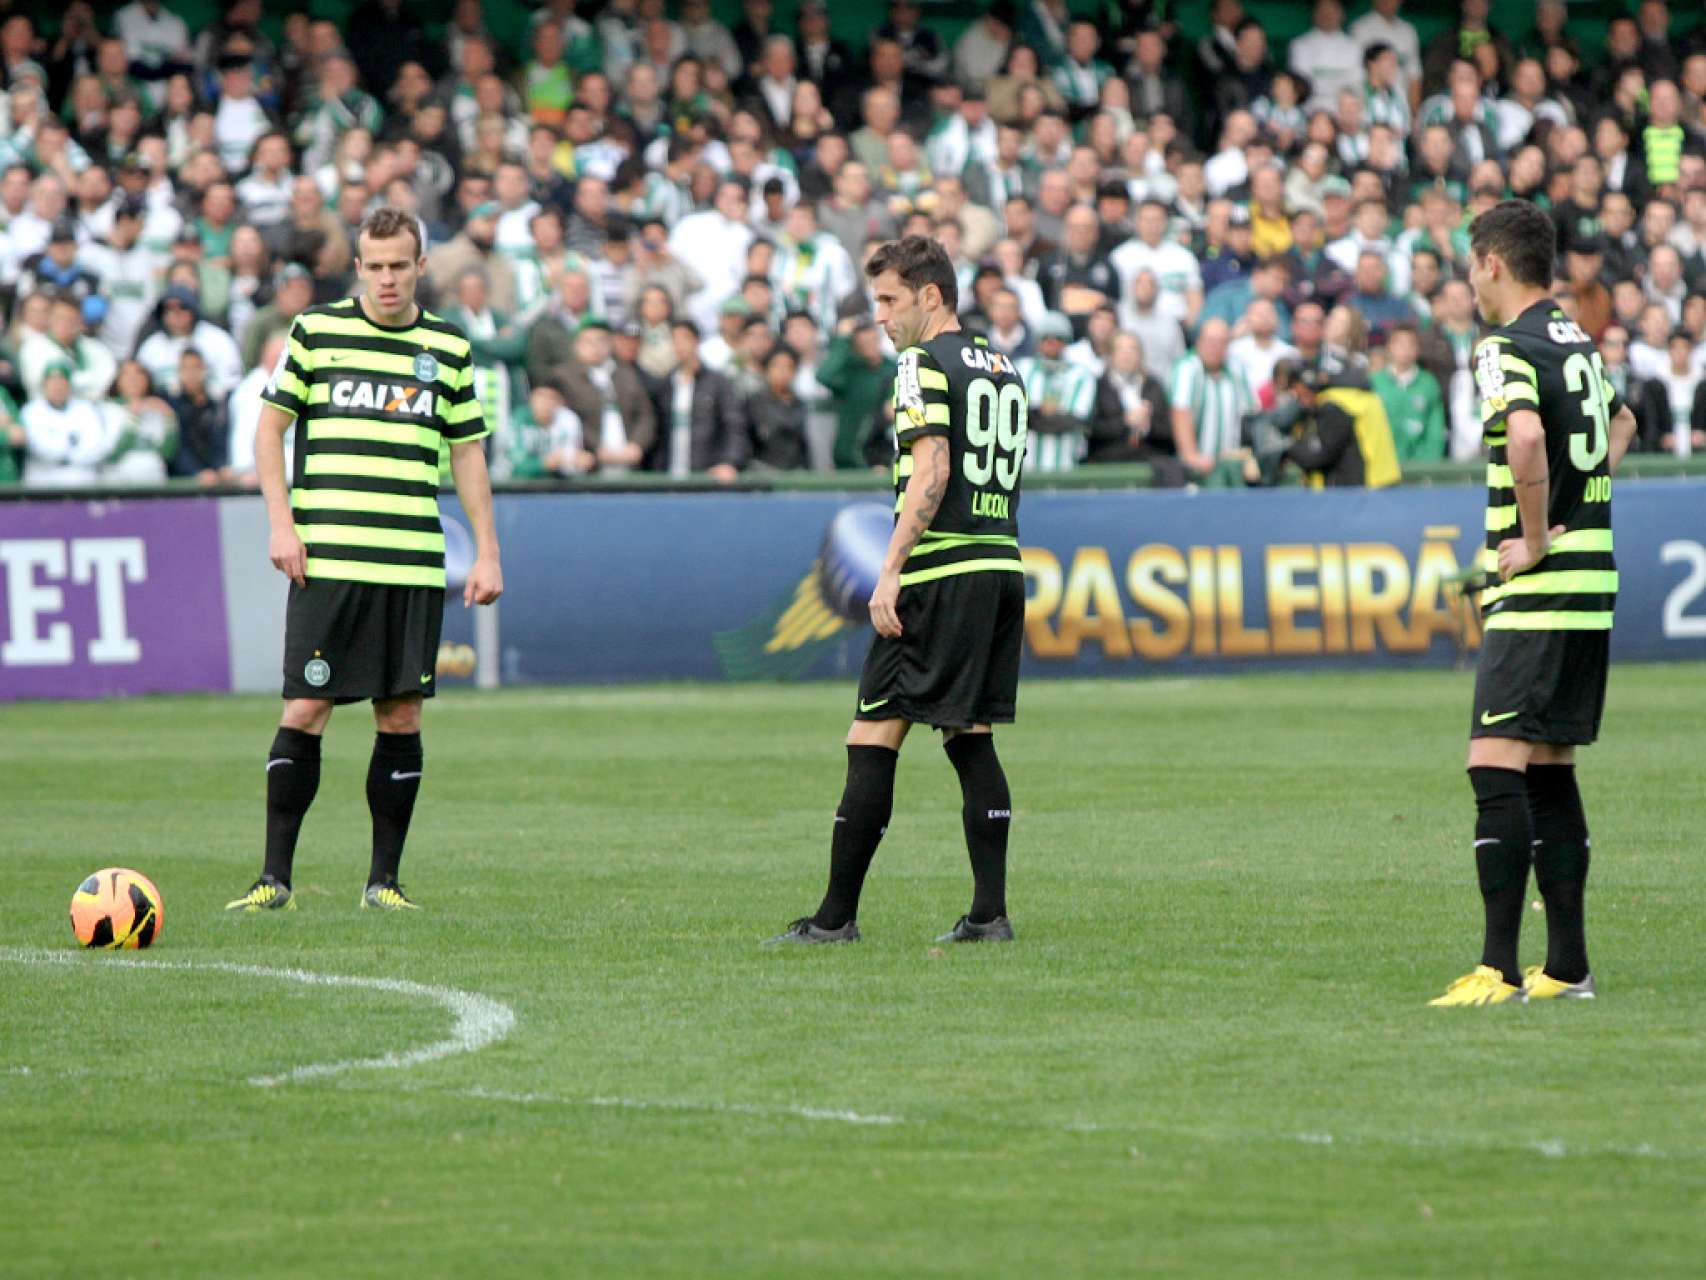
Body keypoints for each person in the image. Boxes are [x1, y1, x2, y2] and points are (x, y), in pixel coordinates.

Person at [226, 205, 503, 915]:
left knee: (401, 717)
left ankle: (384, 883)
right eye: (374, 266)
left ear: (420, 266)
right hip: (329, 560)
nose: (386, 279)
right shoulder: (317, 332)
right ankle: (273, 879)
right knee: (307, 704)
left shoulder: (448, 348)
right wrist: (281, 525)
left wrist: (487, 553)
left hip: (411, 563)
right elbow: (269, 432)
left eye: (398, 266)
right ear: (358, 268)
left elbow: (467, 452)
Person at [766, 235, 1027, 946]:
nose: (879, 316)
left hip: (939, 569)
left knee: (872, 734)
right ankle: (988, 915)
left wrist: (890, 570)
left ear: (931, 296)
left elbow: (933, 470)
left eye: (889, 300)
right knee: (969, 736)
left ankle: (833, 920)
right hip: (1000, 562)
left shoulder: (920, 363)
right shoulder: (1003, 367)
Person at [1430, 200, 1638, 1007]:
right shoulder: (1574, 341)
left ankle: (1497, 969)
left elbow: (1521, 438)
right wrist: (1581, 508)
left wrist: (1536, 537)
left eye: (1471, 264)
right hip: (1593, 580)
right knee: (1550, 766)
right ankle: (1568, 968)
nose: (1469, 281)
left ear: (1491, 263)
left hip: (1545, 583)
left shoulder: (1503, 347)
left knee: (1494, 760)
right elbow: (1621, 421)